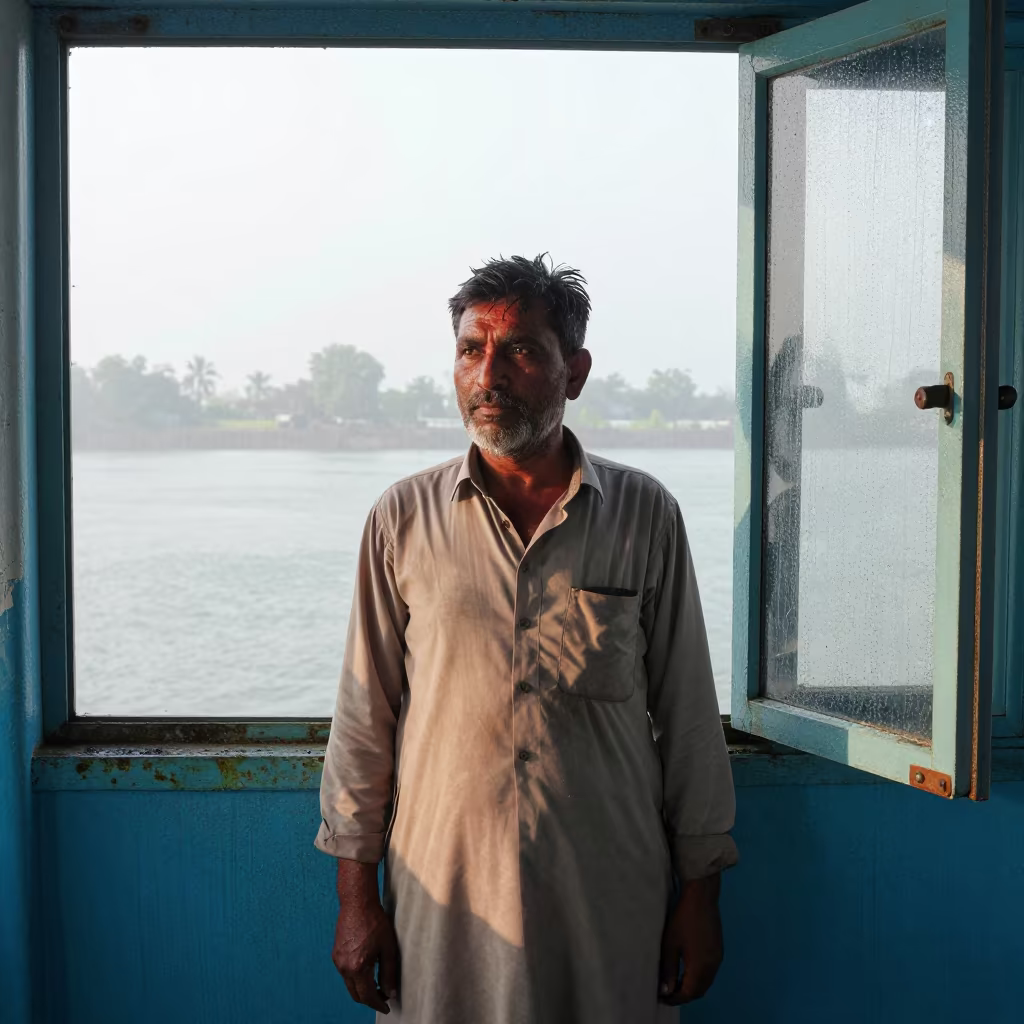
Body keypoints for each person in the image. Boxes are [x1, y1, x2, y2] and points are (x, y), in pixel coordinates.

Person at [315, 254, 737, 1023]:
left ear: (573, 372)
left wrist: (701, 896)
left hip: (610, 894)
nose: (489, 376)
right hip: (443, 899)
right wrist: (355, 900)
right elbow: (362, 719)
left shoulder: (644, 515)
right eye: (471, 350)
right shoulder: (402, 520)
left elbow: (688, 716)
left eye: (520, 351)